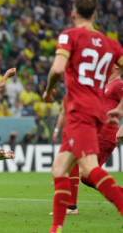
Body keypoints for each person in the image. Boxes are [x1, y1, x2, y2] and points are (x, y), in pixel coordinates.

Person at [42, 0, 123, 233]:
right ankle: (55, 228)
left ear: (73, 14)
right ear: (96, 15)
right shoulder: (113, 45)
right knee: (59, 169)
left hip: (80, 111)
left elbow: (57, 69)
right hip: (97, 112)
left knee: (89, 169)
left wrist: (48, 91)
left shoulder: (69, 36)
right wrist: (118, 108)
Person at [50, 64, 123, 216]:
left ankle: (71, 206)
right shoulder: (103, 85)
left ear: (116, 66)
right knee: (87, 177)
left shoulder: (118, 85)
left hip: (106, 134)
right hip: (95, 133)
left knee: (76, 162)